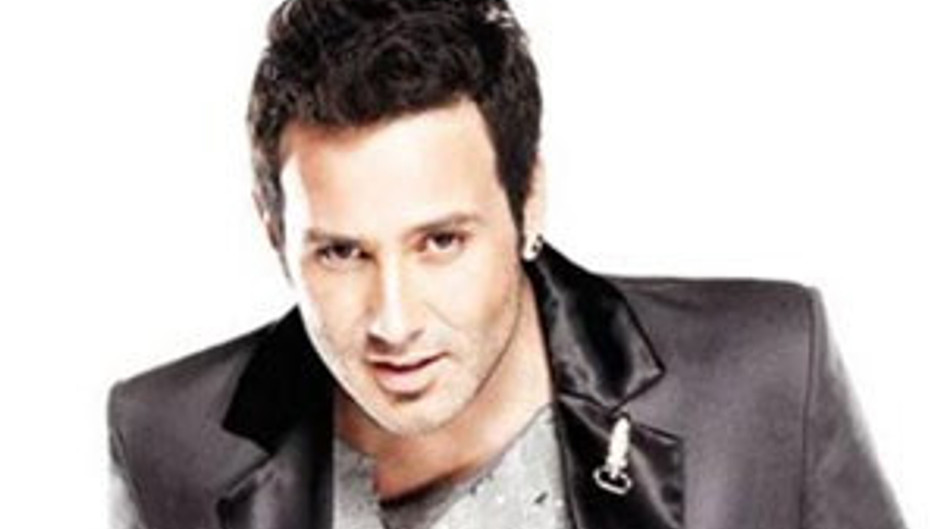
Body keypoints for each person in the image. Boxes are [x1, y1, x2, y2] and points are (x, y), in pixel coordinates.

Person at [107, 0, 906, 528]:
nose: (395, 320)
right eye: (342, 252)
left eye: (441, 242)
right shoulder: (166, 439)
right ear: (274, 234)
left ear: (528, 203)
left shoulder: (762, 374)